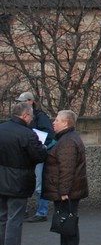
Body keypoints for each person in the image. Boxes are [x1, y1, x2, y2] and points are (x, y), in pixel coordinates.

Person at [0, 102, 49, 245]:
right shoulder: (27, 134)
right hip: (18, 182)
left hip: (1, 180)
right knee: (15, 219)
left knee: (2, 218)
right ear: (26, 116)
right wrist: (42, 148)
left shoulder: (1, 129)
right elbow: (39, 156)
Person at [41, 110, 88, 245]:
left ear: (65, 123)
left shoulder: (67, 141)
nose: (53, 122)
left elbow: (67, 169)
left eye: (57, 120)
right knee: (64, 221)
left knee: (68, 222)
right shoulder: (66, 139)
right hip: (67, 190)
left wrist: (64, 192)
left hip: (68, 191)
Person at [17, 91, 54, 223]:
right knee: (25, 181)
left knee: (39, 184)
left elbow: (49, 134)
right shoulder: (27, 117)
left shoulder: (39, 116)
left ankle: (42, 212)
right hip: (28, 153)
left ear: (30, 101)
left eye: (22, 101)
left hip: (36, 152)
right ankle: (26, 210)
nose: (20, 104)